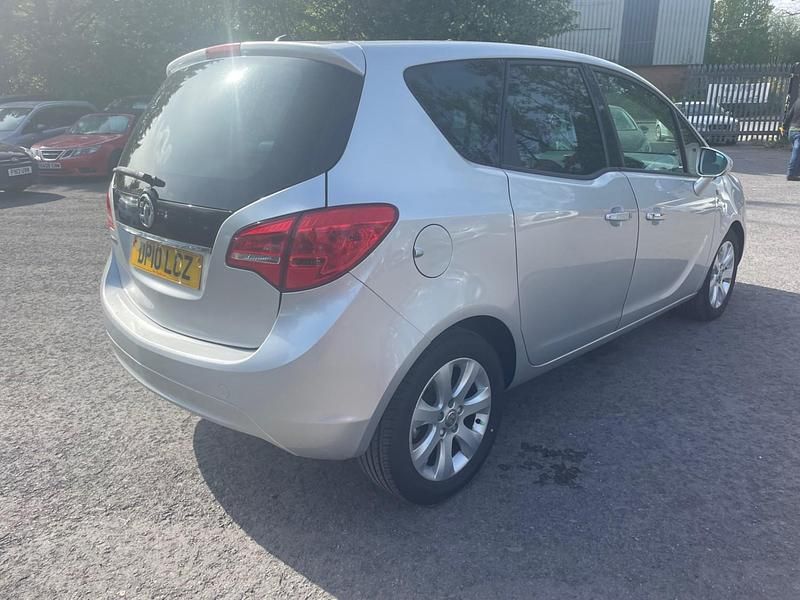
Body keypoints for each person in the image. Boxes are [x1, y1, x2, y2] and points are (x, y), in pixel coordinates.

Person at [781, 96, 800, 181]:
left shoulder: (797, 101)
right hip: (798, 132)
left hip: (792, 131)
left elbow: (789, 115)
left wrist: (784, 127)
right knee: (797, 152)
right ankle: (791, 173)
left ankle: (795, 173)